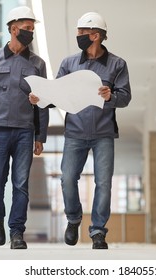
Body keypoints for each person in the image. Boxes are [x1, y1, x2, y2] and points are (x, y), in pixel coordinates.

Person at [0, 6, 49, 249]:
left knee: (21, 184)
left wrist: (40, 135)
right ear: (13, 29)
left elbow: (42, 103)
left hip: (25, 131)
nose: (30, 34)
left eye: (32, 30)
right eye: (26, 29)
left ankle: (17, 233)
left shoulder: (38, 64)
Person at [57, 12, 131, 249]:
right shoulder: (69, 64)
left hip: (103, 133)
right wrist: (43, 96)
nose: (78, 36)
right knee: (68, 179)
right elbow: (58, 92)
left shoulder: (117, 64)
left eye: (81, 32)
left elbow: (126, 97)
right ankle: (73, 218)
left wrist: (111, 96)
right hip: (75, 132)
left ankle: (98, 231)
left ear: (95, 35)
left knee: (104, 183)